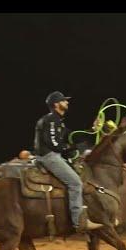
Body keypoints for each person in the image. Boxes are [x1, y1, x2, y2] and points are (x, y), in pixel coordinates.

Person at [34, 91, 104, 233]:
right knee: (75, 183)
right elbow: (53, 143)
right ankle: (78, 221)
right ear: (56, 104)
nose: (67, 102)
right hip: (49, 156)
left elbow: (72, 136)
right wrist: (69, 148)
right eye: (64, 101)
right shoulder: (51, 120)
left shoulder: (57, 121)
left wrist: (92, 130)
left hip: (53, 155)